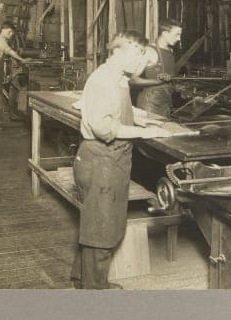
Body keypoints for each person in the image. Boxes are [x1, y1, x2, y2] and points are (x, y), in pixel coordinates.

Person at [71, 30, 172, 290]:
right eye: (138, 54)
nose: (141, 62)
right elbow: (105, 128)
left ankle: (84, 278)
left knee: (99, 222)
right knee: (102, 227)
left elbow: (120, 110)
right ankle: (95, 290)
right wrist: (145, 132)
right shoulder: (103, 80)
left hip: (112, 159)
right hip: (101, 159)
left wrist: (141, 117)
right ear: (119, 51)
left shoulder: (119, 78)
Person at [130, 18, 183, 118]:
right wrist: (157, 81)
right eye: (177, 34)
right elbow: (132, 80)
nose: (179, 38)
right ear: (165, 33)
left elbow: (169, 80)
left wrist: (176, 86)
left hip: (166, 103)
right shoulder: (149, 51)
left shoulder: (170, 51)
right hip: (149, 104)